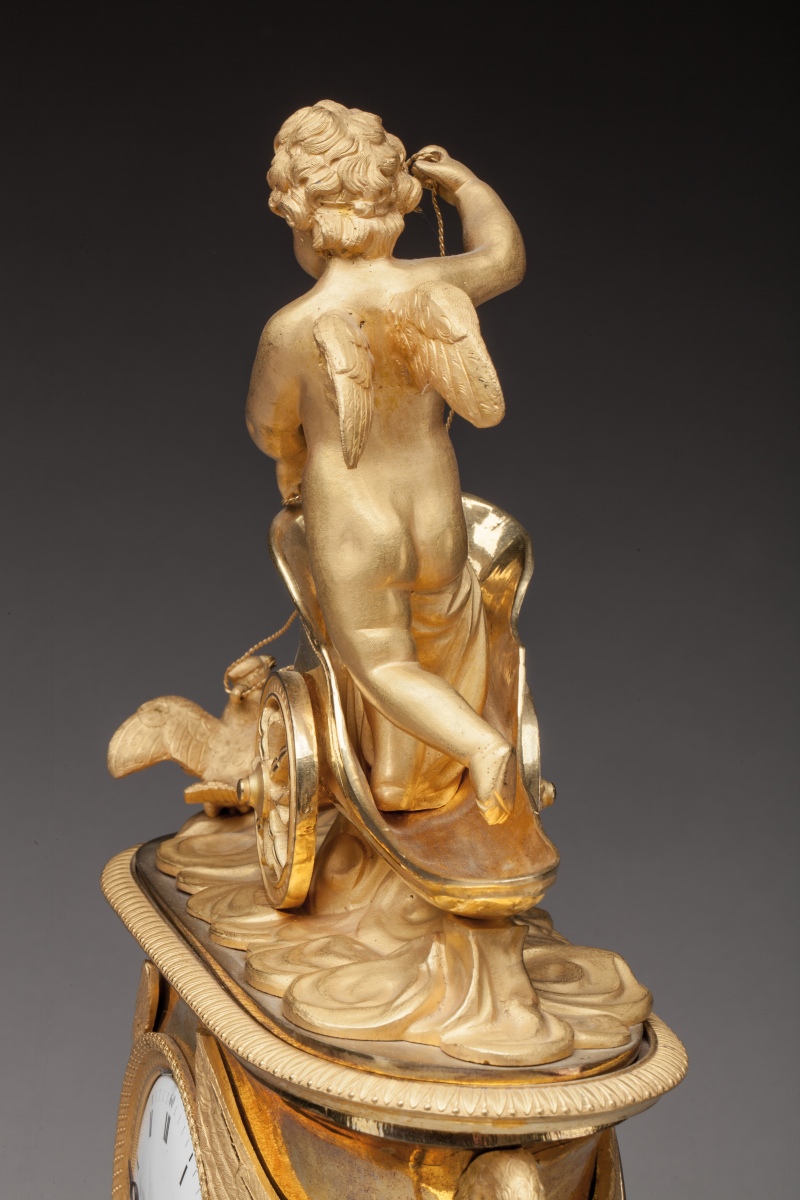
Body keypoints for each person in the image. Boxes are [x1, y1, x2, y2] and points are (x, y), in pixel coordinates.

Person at [246, 100, 526, 825]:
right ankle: (405, 783)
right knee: (443, 631)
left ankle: (480, 746)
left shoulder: (291, 329)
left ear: (302, 219)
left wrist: (290, 462)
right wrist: (464, 186)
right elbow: (505, 256)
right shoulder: (433, 290)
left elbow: (268, 428)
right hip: (434, 503)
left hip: (354, 514)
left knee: (382, 660)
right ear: (394, 200)